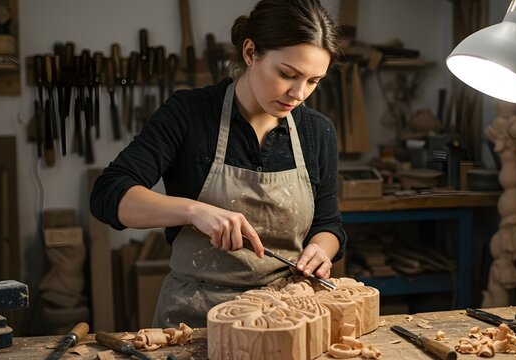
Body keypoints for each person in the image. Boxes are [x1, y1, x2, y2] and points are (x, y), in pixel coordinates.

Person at [90, 0, 347, 328]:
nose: (298, 93)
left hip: (286, 315)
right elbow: (108, 194)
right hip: (195, 318)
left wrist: (321, 250)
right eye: (287, 74)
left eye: (313, 81)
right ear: (251, 52)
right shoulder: (189, 114)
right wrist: (193, 211)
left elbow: (329, 225)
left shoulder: (317, 131)